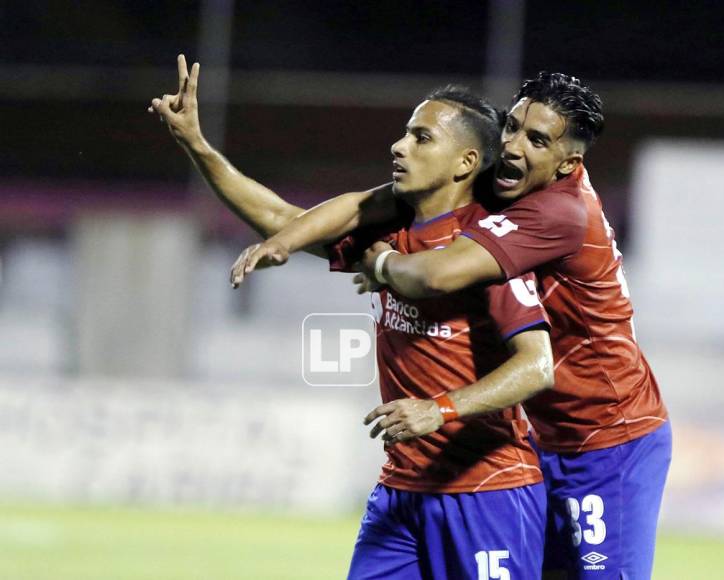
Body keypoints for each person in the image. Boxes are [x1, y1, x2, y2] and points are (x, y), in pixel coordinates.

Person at [230, 72, 672, 580]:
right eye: (511, 127)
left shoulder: (559, 212)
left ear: (567, 164)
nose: (512, 146)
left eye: (537, 140)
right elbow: (358, 207)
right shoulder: (494, 184)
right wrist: (204, 153)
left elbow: (435, 275)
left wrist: (382, 267)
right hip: (535, 437)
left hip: (606, 437)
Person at [150, 58, 553, 579]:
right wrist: (197, 145)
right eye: (405, 134)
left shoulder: (486, 249)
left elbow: (537, 365)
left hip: (488, 492)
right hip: (402, 492)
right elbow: (279, 217)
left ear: (465, 162)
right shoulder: (389, 233)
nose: (399, 147)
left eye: (421, 138)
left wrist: (440, 410)